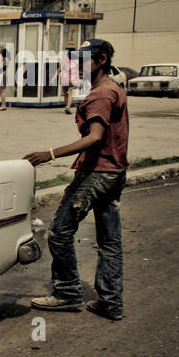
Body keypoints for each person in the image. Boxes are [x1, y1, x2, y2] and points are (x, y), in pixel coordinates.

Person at [24, 38, 129, 321]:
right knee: (109, 241)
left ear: (102, 59)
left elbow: (95, 138)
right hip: (114, 171)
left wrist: (50, 153)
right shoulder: (112, 88)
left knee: (58, 233)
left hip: (97, 173)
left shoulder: (101, 95)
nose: (79, 66)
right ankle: (111, 302)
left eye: (85, 60)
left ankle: (67, 292)